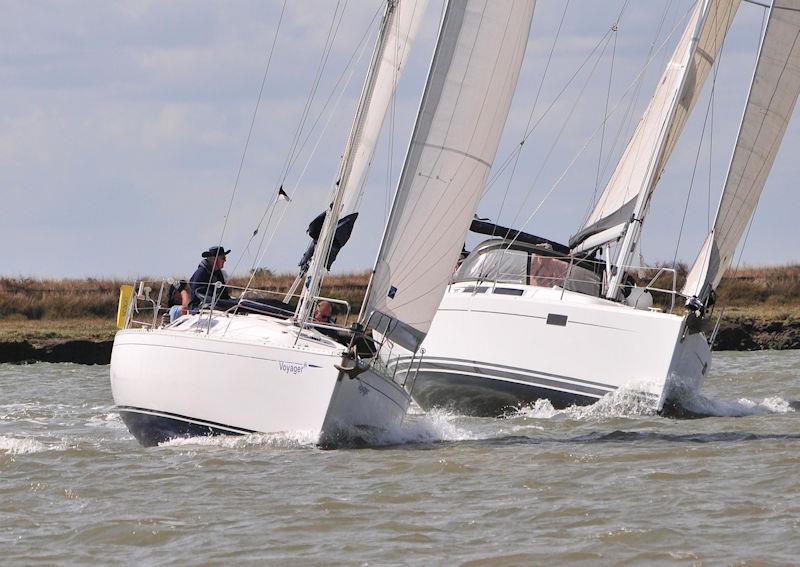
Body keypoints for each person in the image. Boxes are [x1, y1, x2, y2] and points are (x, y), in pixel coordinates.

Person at [190, 245, 232, 310]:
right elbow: (200, 295)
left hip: (216, 306)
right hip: (198, 309)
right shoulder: (201, 273)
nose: (225, 260)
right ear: (214, 259)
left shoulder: (218, 272)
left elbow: (223, 293)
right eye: (223, 258)